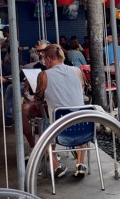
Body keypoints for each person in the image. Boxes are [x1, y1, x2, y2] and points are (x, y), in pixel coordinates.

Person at [22, 44, 86, 178]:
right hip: (82, 126)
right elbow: (81, 90)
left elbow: (38, 99)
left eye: (44, 59)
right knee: (79, 118)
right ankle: (80, 164)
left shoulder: (44, 75)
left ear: (48, 59)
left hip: (59, 127)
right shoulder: (77, 71)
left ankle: (57, 167)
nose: (44, 62)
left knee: (43, 126)